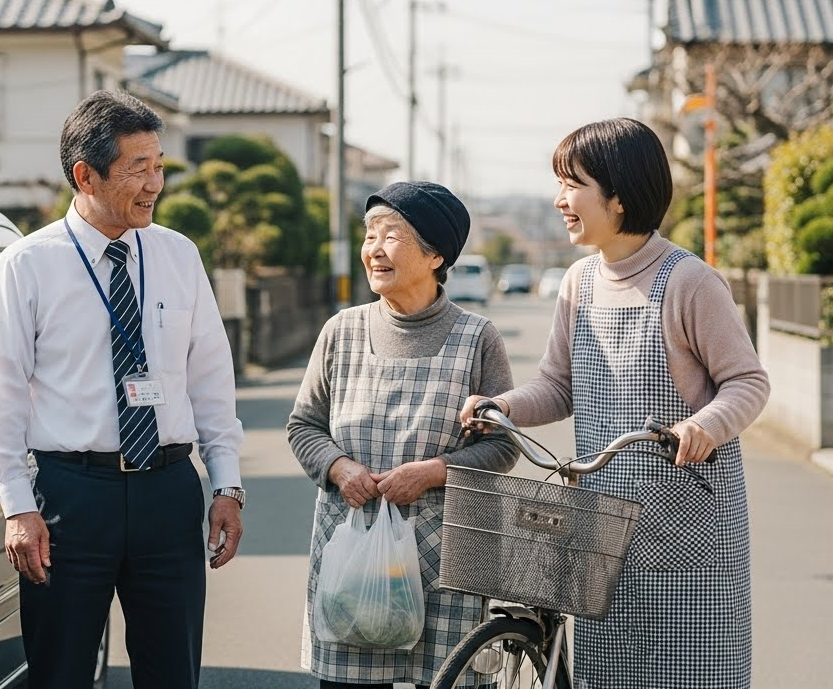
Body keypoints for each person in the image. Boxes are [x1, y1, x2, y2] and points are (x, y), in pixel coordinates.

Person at [461, 118, 770, 688]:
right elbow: (557, 385)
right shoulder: (578, 282)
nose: (560, 200)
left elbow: (748, 382)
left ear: (621, 198)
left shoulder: (690, 282)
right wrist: (501, 404)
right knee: (611, 672)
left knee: (693, 673)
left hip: (689, 525)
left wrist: (706, 424)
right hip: (603, 527)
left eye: (572, 184)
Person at [0, 90, 245, 689]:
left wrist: (227, 484)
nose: (154, 184)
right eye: (137, 169)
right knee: (62, 673)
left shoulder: (179, 255)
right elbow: (2, 396)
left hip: (169, 492)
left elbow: (210, 381)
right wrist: (18, 506)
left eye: (159, 167)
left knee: (173, 674)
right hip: (71, 498)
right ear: (86, 175)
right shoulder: (28, 264)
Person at [288, 181, 519, 689]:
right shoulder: (340, 332)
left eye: (391, 235)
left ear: (436, 254)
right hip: (353, 550)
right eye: (369, 235)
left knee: (443, 677)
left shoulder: (477, 339)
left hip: (447, 558)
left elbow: (503, 445)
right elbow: (304, 425)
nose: (373, 248)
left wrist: (434, 472)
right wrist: (338, 467)